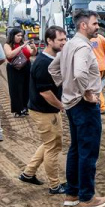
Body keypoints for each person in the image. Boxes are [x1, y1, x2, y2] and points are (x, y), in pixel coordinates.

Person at [48, 10, 105, 207]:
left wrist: (66, 87)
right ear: (83, 25)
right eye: (94, 23)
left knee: (76, 149)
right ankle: (86, 198)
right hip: (84, 106)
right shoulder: (83, 47)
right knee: (88, 151)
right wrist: (87, 93)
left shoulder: (69, 45)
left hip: (71, 105)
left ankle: (72, 193)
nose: (97, 26)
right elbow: (79, 73)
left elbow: (53, 69)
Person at [19, 26, 68, 194]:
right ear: (49, 40)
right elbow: (46, 93)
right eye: (60, 40)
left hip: (49, 110)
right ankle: (54, 185)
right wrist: (62, 106)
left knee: (50, 143)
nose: (64, 42)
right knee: (52, 147)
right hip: (44, 111)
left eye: (65, 39)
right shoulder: (43, 63)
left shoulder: (53, 59)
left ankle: (28, 173)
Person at [3, 28, 36, 118]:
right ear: (13, 36)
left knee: (27, 87)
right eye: (18, 35)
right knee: (16, 89)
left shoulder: (24, 44)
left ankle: (25, 108)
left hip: (26, 66)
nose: (20, 37)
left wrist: (34, 48)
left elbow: (32, 53)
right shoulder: (7, 45)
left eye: (21, 36)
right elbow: (9, 55)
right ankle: (18, 110)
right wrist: (21, 47)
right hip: (14, 68)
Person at [89, 31, 105, 115]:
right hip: (103, 66)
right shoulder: (101, 38)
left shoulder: (85, 40)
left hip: (93, 68)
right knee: (99, 86)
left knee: (97, 87)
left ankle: (102, 106)